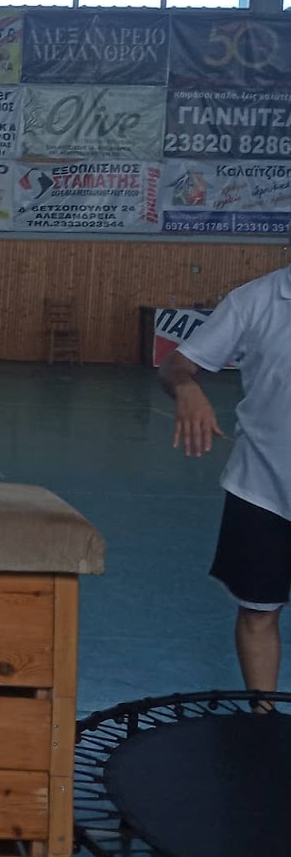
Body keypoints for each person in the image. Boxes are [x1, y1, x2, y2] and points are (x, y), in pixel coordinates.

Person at [159, 256, 291, 701]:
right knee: (258, 613)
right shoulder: (254, 300)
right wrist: (187, 388)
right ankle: (263, 723)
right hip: (263, 489)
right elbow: (176, 364)